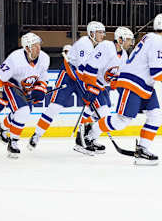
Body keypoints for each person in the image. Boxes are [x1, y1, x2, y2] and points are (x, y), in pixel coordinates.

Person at [84, 14, 162, 165]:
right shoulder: (161, 42)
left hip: (144, 84)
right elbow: (157, 73)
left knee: (155, 115)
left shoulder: (148, 37)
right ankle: (91, 133)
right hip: (134, 83)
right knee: (122, 121)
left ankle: (142, 149)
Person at [27, 21, 106, 150]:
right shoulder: (84, 44)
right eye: (100, 32)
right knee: (55, 107)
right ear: (92, 33)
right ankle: (37, 134)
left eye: (103, 32)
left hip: (82, 78)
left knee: (94, 108)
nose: (102, 35)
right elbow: (81, 69)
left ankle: (85, 138)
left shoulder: (98, 47)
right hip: (68, 77)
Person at [73, 27, 134, 155]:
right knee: (104, 115)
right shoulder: (107, 46)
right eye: (128, 39)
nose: (130, 43)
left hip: (101, 86)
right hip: (90, 81)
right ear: (120, 39)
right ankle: (84, 139)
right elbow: (91, 67)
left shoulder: (123, 55)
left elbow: (117, 77)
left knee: (95, 112)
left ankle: (88, 138)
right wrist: (90, 87)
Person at [0, 32, 50, 158]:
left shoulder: (44, 58)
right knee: (23, 111)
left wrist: (40, 89)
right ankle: (13, 143)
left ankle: (0, 129)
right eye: (35, 45)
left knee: (21, 113)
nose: (38, 48)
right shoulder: (15, 58)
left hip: (26, 89)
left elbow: (43, 78)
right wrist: (0, 95)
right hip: (11, 84)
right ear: (27, 48)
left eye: (39, 44)